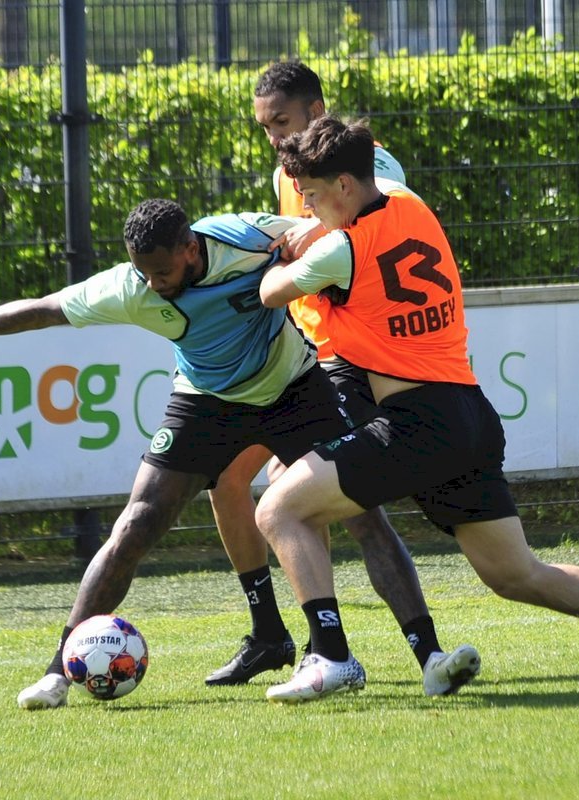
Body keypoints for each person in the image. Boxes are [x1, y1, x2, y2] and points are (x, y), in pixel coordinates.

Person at [253, 115, 579, 702]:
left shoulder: (342, 250)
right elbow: (368, 210)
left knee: (278, 510)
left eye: (312, 196)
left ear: (343, 185)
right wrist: (316, 226)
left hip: (413, 424)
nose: (308, 209)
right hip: (467, 415)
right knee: (516, 574)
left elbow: (271, 293)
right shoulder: (410, 203)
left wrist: (283, 251)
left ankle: (331, 657)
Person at [0, 199, 357, 710]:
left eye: (161, 272)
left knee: (361, 512)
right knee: (136, 522)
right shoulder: (130, 285)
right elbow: (44, 308)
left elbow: (344, 228)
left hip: (291, 387)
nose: (152, 283)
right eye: (143, 272)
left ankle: (395, 649)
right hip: (205, 400)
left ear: (189, 249)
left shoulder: (243, 237)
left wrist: (314, 230)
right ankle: (57, 672)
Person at [204, 61, 478, 697]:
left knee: (327, 503)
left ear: (316, 110)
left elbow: (371, 217)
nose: (273, 135)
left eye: (282, 121)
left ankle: (352, 651)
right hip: (300, 355)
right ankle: (285, 637)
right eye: (264, 125)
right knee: (237, 480)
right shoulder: (287, 173)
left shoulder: (370, 165)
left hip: (347, 363)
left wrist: (302, 239)